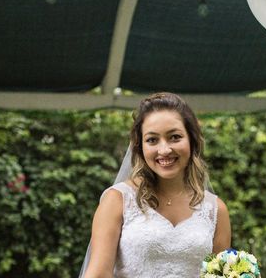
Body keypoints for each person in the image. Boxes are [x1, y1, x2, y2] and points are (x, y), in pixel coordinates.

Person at [82, 92, 231, 278]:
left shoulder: (215, 210)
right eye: (152, 140)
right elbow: (98, 274)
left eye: (175, 137)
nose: (164, 150)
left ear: (192, 141)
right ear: (140, 147)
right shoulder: (117, 200)